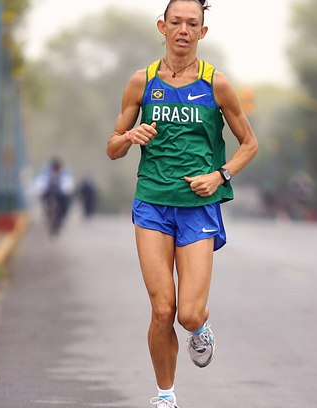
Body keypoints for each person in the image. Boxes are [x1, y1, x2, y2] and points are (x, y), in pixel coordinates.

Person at [106, 1, 258, 407]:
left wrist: (220, 175)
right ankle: (165, 396)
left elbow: (250, 143)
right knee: (161, 310)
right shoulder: (142, 82)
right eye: (176, 23)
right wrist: (129, 137)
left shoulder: (217, 84)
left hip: (197, 208)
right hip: (152, 204)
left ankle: (201, 327)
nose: (184, 30)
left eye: (193, 24)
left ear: (203, 32)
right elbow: (113, 147)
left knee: (188, 314)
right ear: (162, 26)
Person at [34, 157, 75, 235]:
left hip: (61, 194)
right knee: (46, 205)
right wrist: (40, 191)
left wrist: (68, 191)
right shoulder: (45, 172)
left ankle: (61, 218)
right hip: (49, 193)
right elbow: (40, 182)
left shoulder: (65, 173)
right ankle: (47, 215)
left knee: (64, 207)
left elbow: (69, 184)